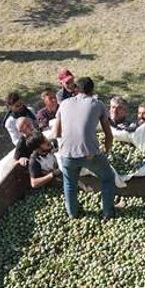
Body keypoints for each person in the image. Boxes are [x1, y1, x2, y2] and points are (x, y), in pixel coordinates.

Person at [54, 77, 116, 219]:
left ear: (76, 88)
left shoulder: (64, 104)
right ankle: (108, 212)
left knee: (69, 182)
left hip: (66, 154)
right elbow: (108, 134)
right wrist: (106, 150)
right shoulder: (97, 104)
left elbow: (56, 133)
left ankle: (72, 213)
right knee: (107, 177)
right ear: (92, 90)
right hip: (89, 153)